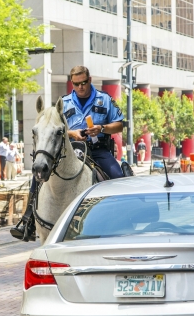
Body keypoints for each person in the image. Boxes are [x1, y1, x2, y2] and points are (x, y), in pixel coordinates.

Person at [10, 65, 124, 241]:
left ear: (89, 80)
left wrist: (102, 128)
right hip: (71, 148)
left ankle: (123, 219)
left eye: (84, 82)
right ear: (72, 83)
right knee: (38, 174)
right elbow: (56, 128)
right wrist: (72, 133)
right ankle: (28, 220)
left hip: (98, 149)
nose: (80, 87)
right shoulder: (63, 102)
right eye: (76, 83)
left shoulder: (105, 99)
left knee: (118, 175)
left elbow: (119, 124)